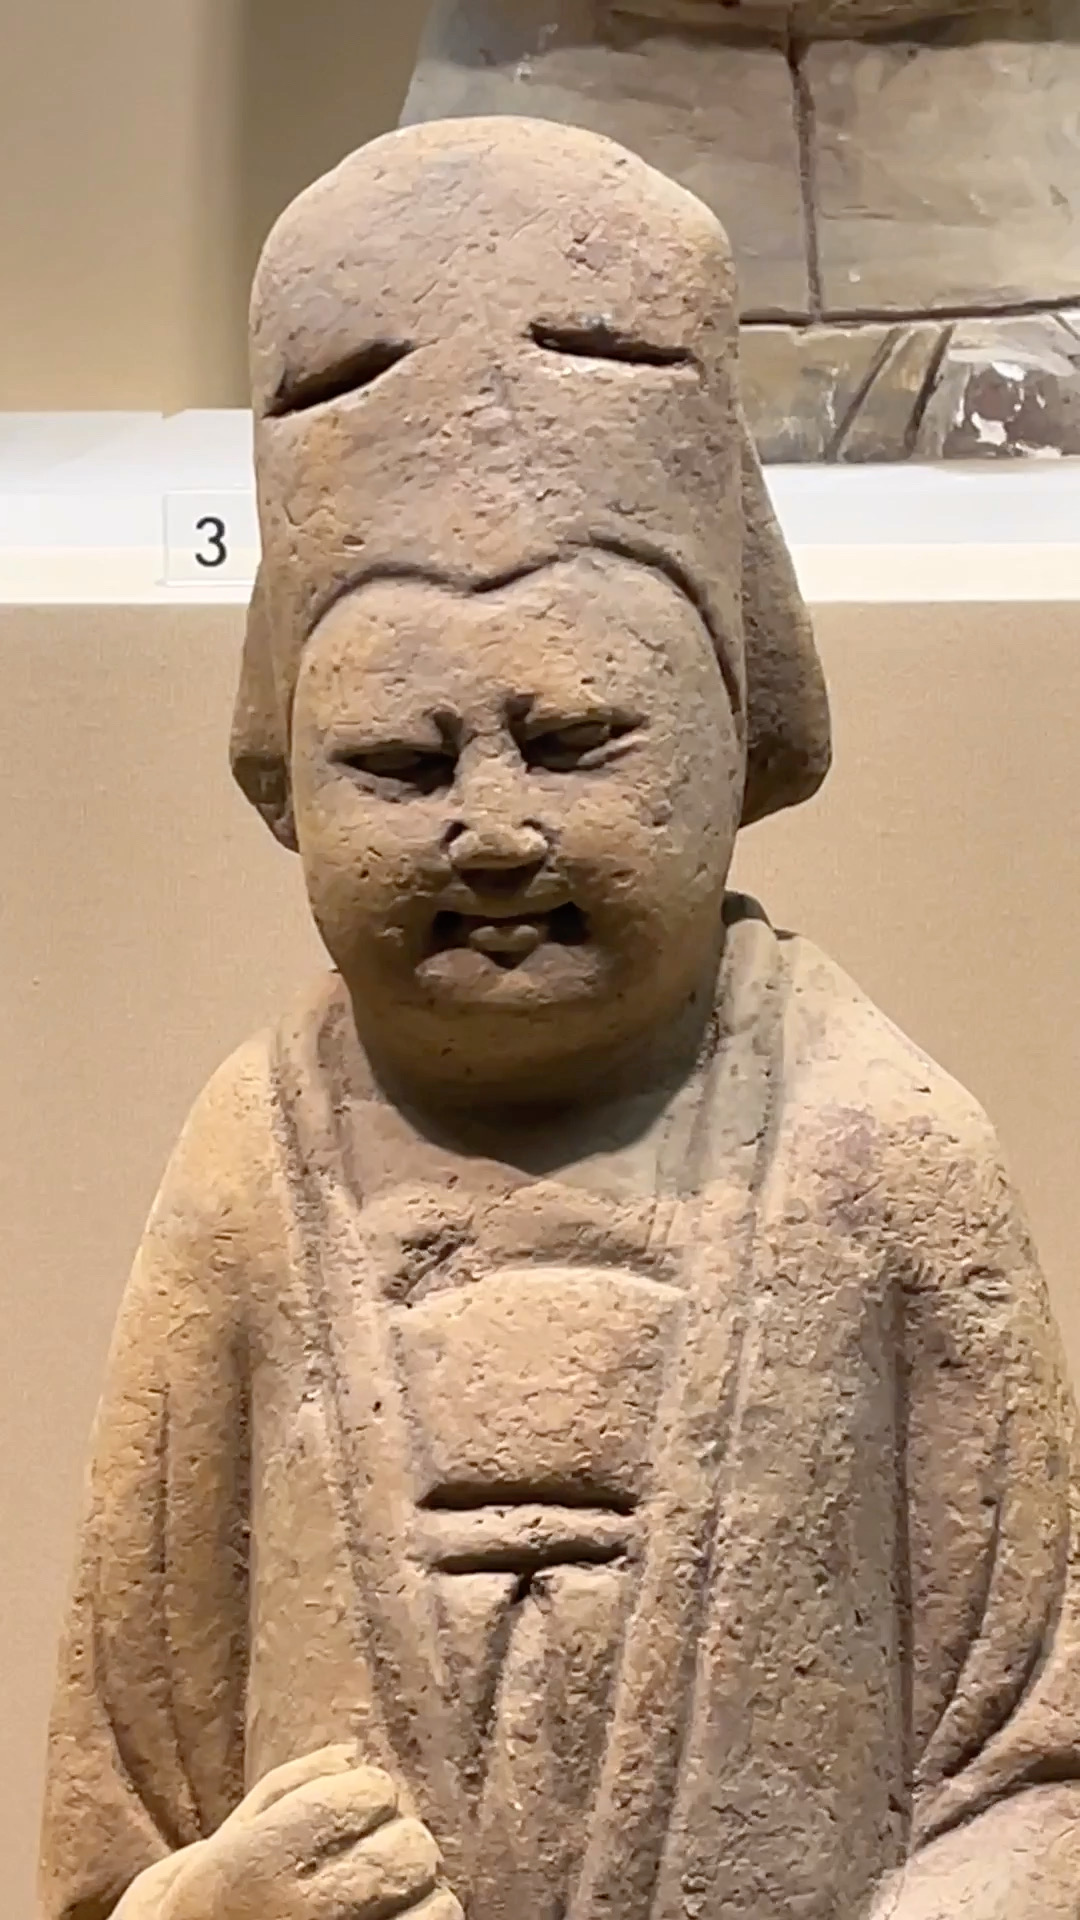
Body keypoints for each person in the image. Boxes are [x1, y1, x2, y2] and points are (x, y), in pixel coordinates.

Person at [40, 118, 1080, 1920]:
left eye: (582, 739)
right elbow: (110, 1828)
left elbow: (1040, 1785)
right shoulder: (245, 1181)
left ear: (728, 746)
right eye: (399, 761)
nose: (496, 829)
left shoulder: (882, 1154)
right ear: (289, 781)